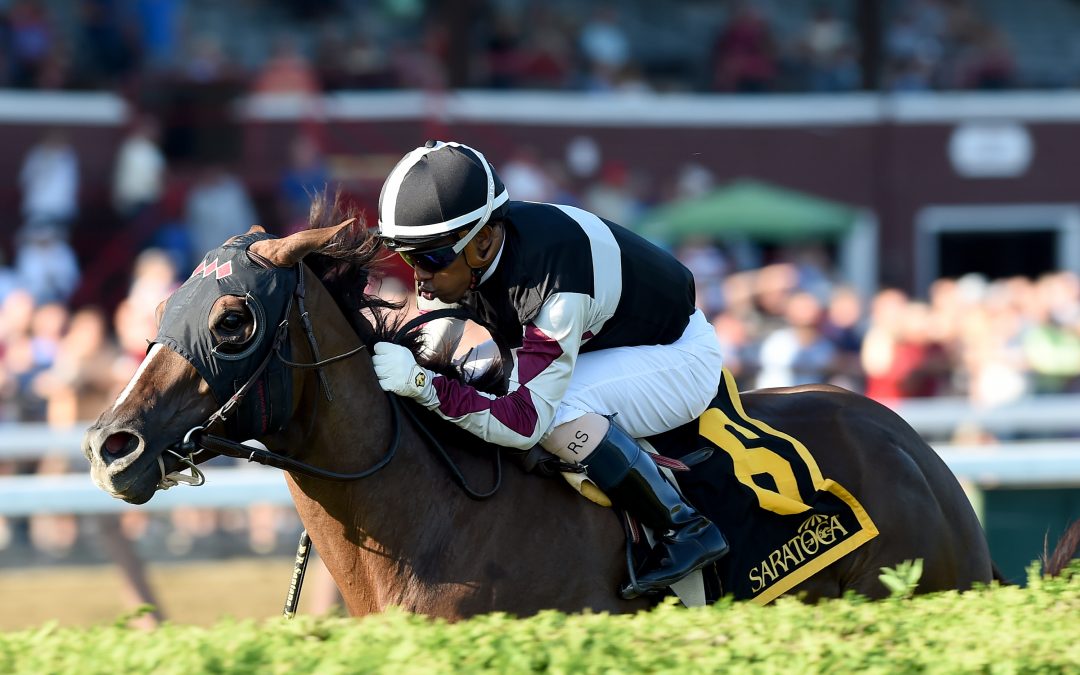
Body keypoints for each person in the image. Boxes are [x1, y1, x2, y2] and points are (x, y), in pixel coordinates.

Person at [371, 140, 728, 597]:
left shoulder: (554, 288)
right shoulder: (465, 254)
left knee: (554, 415)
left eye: (428, 258)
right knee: (471, 375)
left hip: (677, 356)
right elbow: (436, 339)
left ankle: (684, 527)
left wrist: (423, 384)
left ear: (482, 242)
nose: (418, 275)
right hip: (607, 342)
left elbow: (524, 421)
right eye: (407, 256)